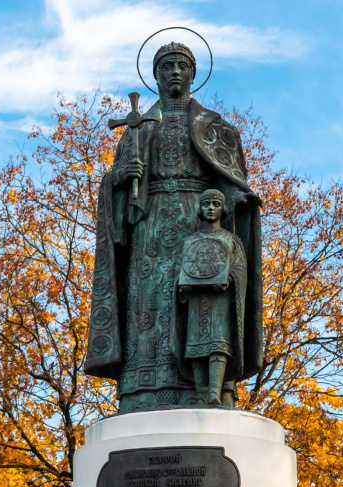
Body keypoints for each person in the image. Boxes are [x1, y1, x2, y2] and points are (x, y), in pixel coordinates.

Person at [85, 41, 263, 413]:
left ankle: (208, 391)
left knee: (206, 309)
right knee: (149, 307)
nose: (175, 73)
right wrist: (120, 178)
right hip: (150, 230)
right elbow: (116, 187)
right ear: (156, 75)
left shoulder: (215, 128)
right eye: (167, 67)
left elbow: (229, 183)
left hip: (199, 229)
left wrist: (237, 201)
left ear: (194, 74)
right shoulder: (139, 128)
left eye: (182, 65)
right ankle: (143, 389)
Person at [176, 188, 248, 406]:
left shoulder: (230, 239)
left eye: (215, 204)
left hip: (220, 301)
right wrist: (183, 286)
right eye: (206, 204)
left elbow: (240, 269)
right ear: (200, 208)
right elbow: (182, 267)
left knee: (218, 345)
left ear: (222, 209)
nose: (210, 208)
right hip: (197, 301)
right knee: (196, 348)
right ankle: (200, 394)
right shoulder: (191, 241)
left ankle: (214, 393)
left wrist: (229, 280)